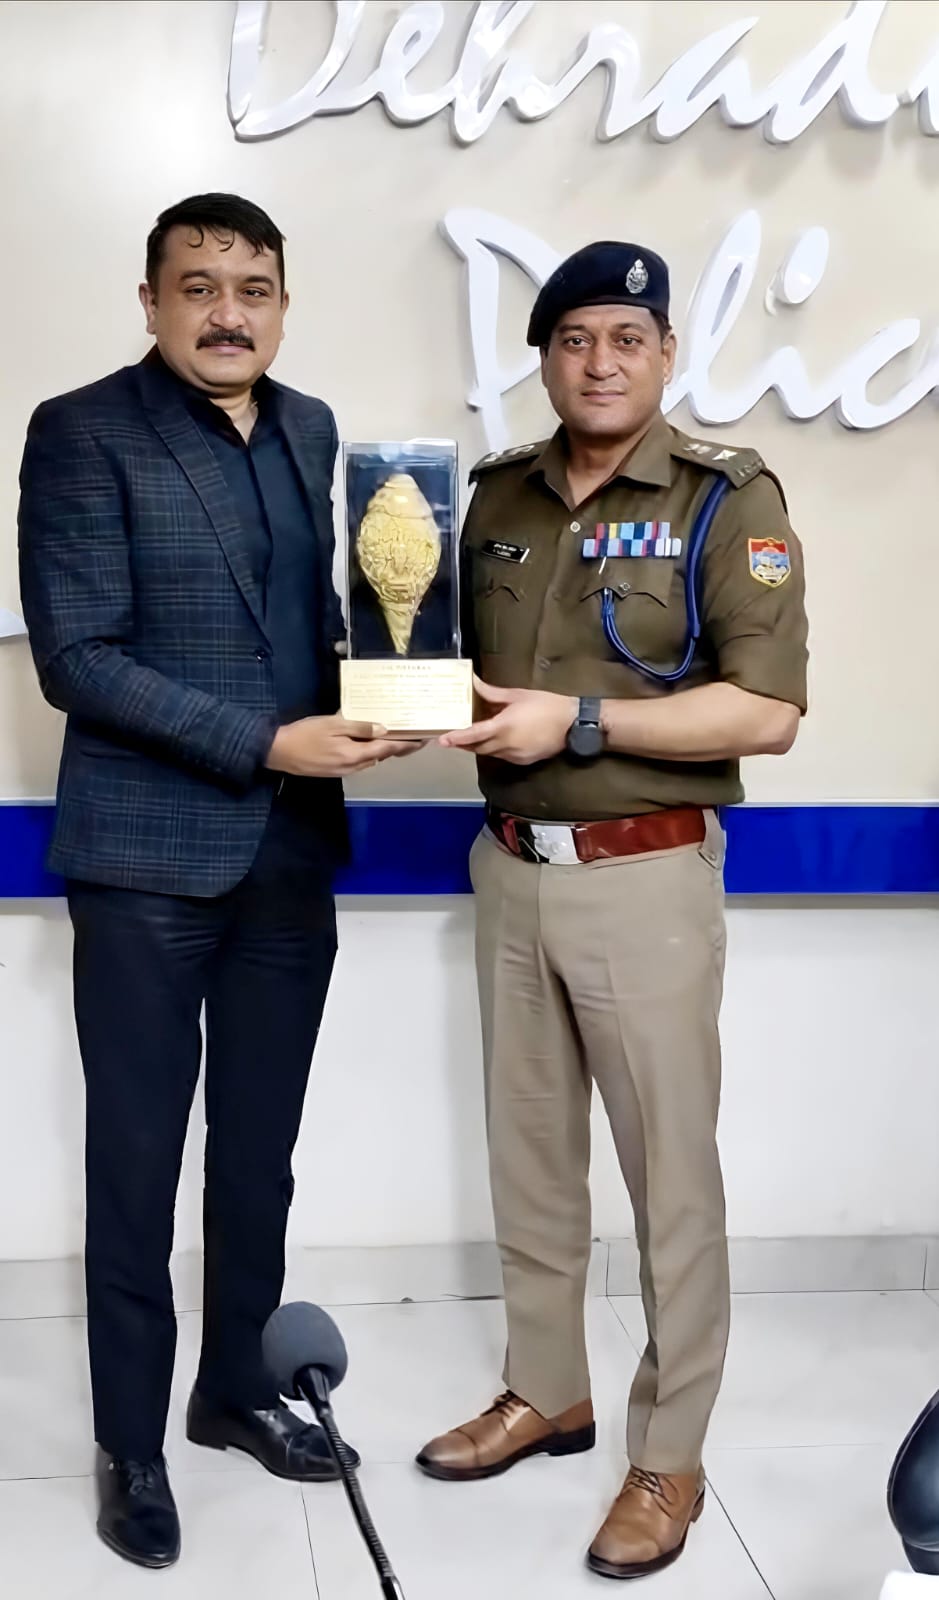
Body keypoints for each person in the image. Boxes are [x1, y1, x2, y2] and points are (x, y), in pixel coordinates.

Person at [17, 193, 412, 1571]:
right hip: (143, 861)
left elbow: (309, 623)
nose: (227, 313)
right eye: (199, 287)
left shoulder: (311, 430)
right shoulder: (81, 431)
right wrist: (266, 741)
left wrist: (401, 689)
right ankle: (131, 1444)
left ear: (283, 306)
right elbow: (78, 656)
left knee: (258, 1157)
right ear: (152, 301)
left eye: (253, 289)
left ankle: (234, 1389)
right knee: (136, 1164)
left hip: (289, 856)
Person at [417, 240, 808, 1580]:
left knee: (669, 1182)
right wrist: (382, 695)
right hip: (510, 865)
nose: (600, 362)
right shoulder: (494, 496)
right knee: (530, 1162)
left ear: (664, 354)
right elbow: (443, 664)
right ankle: (548, 1391)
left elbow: (767, 711)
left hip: (644, 874)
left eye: (626, 339)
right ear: (543, 356)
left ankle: (669, 1456)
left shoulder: (724, 497)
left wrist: (580, 718)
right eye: (575, 338)